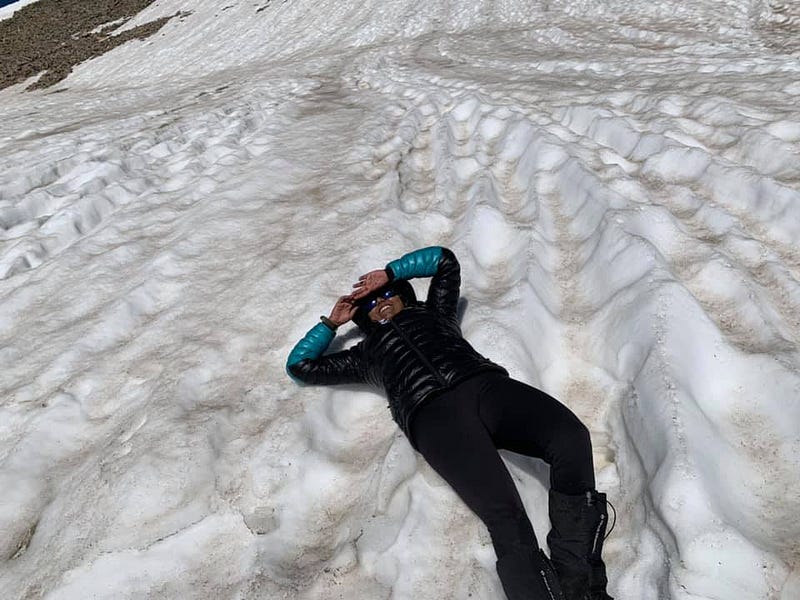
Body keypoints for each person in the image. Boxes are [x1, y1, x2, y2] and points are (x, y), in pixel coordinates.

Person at [286, 246, 613, 600]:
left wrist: (391, 272)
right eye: (368, 305)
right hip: (434, 418)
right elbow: (300, 366)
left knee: (570, 437)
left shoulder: (435, 314)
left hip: (484, 387)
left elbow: (444, 261)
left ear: (403, 296)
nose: (379, 303)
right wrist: (331, 324)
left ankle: (580, 587)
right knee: (505, 517)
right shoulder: (365, 355)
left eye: (385, 295)